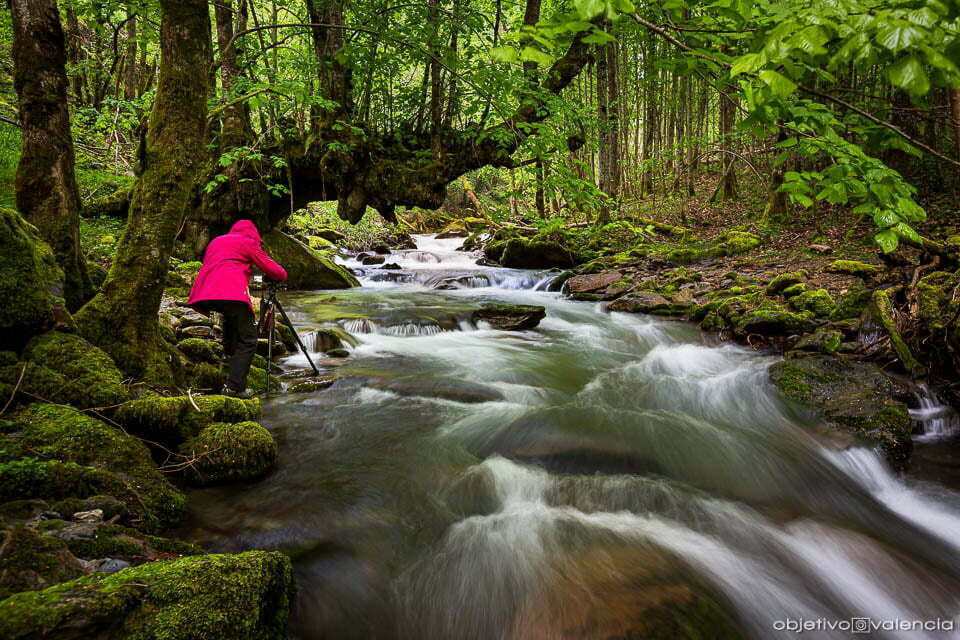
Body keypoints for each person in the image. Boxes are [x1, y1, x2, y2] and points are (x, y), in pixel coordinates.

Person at [188, 219, 287, 398]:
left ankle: (229, 364)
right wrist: (280, 275)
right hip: (231, 292)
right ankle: (235, 387)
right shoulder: (247, 242)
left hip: (205, 293)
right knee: (248, 339)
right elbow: (274, 270)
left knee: (231, 321)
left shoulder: (216, 241)